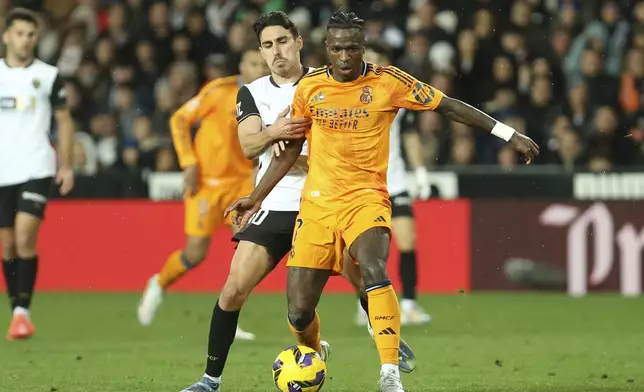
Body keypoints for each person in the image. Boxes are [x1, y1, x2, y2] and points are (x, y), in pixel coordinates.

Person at [227, 10, 539, 392]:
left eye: (353, 49)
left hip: (367, 198)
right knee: (298, 309)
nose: (344, 57)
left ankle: (389, 372)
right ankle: (314, 353)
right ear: (327, 48)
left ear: (363, 49)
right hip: (319, 205)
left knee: (373, 266)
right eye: (338, 49)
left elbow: (449, 105)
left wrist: (508, 134)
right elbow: (289, 153)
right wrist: (255, 198)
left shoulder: (389, 83)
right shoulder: (310, 90)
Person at [180, 11, 415, 392]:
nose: (276, 52)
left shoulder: (327, 80)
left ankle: (387, 344)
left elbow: (340, 147)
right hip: (276, 203)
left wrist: (302, 157)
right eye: (268, 45)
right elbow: (248, 144)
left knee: (366, 279)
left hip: (328, 202)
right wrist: (277, 132)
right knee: (233, 289)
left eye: (283, 42)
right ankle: (210, 380)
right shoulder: (253, 92)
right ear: (260, 50)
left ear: (299, 42)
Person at [137, 46, 269, 342]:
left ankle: (230, 319)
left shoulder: (270, 95)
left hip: (240, 185)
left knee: (247, 252)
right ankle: (158, 283)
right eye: (253, 63)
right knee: (195, 254)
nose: (259, 69)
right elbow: (179, 120)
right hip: (206, 185)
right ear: (241, 66)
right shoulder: (218, 91)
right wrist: (188, 162)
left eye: (263, 64)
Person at [0, 8, 75, 340]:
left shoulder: (48, 75)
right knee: (6, 245)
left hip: (36, 165)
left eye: (31, 35)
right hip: (3, 169)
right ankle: (16, 308)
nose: (25, 41)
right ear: (6, 36)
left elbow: (64, 120)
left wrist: (66, 165)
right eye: (19, 34)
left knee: (24, 236)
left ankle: (22, 312)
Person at [354, 39, 431, 327]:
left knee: (408, 241)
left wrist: (420, 171)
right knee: (369, 250)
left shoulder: (396, 93)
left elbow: (410, 136)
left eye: (378, 59)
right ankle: (366, 306)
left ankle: (409, 304)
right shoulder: (348, 96)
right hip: (364, 184)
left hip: (395, 182)